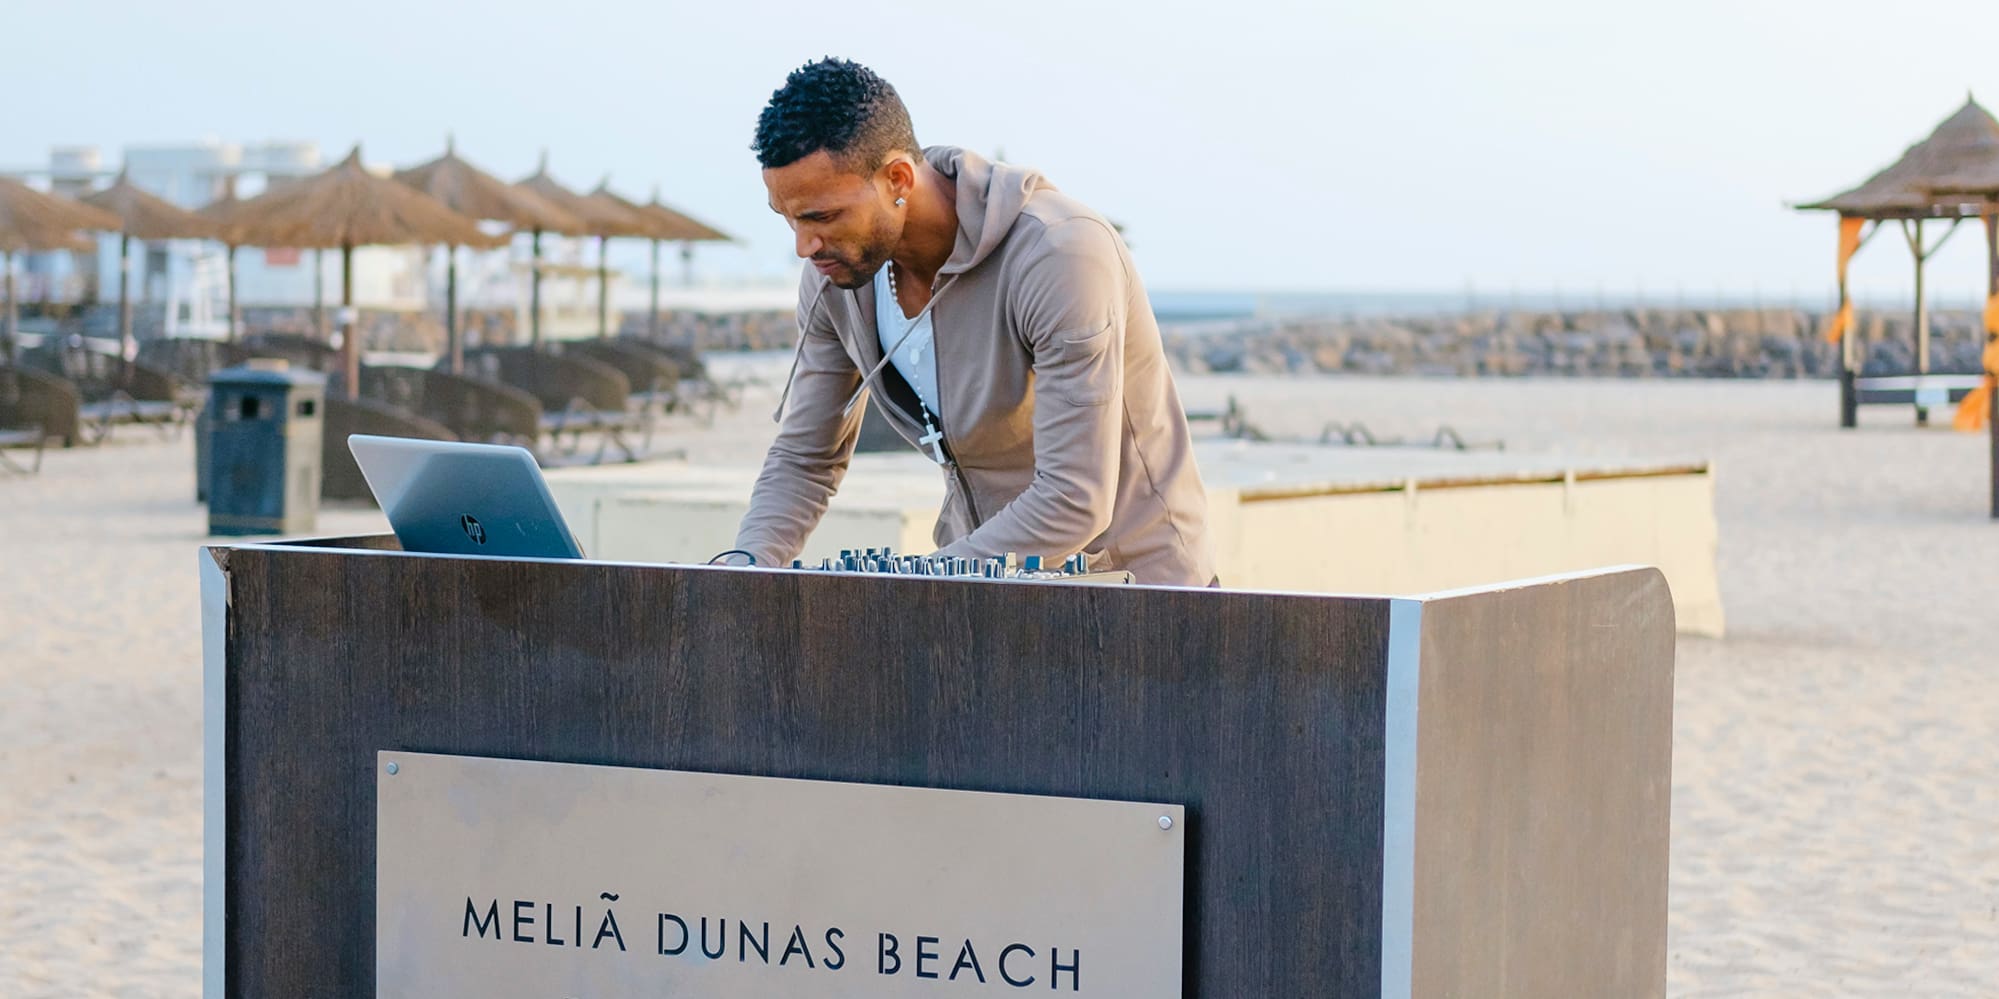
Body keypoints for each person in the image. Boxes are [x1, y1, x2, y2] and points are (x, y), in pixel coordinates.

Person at [732, 58, 1215, 586]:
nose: (804, 247)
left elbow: (1074, 498)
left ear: (897, 178)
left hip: (1139, 597)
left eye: (821, 217)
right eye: (788, 218)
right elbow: (806, 457)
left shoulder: (1059, 255)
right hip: (981, 592)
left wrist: (919, 584)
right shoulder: (838, 277)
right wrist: (742, 569)